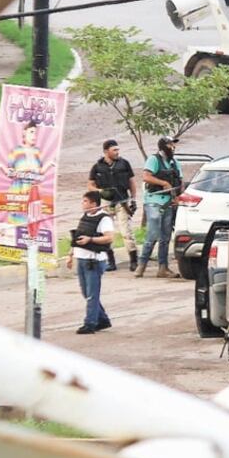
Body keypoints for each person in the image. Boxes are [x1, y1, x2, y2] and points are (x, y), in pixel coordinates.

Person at [87, 139, 139, 272]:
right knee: (107, 232)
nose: (117, 152)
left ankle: (134, 260)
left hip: (122, 201)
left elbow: (132, 181)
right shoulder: (97, 167)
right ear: (106, 151)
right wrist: (100, 192)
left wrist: (133, 199)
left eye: (117, 150)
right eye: (114, 150)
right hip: (106, 202)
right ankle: (111, 261)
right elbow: (90, 184)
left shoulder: (124, 163)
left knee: (126, 232)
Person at [136, 137, 183, 278]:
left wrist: (178, 196)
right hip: (154, 201)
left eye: (173, 144)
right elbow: (146, 177)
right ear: (163, 146)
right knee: (153, 233)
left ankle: (163, 268)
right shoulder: (153, 160)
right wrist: (163, 183)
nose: (173, 147)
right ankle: (141, 265)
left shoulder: (175, 163)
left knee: (166, 236)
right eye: (170, 144)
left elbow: (180, 181)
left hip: (169, 202)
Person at [67, 191, 114, 334]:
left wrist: (91, 240)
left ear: (94, 203)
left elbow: (109, 238)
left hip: (94, 260)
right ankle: (103, 319)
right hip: (81, 258)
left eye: (85, 201)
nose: (83, 204)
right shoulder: (85, 217)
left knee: (92, 294)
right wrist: (70, 255)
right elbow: (77, 236)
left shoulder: (104, 219)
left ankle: (90, 323)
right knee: (86, 292)